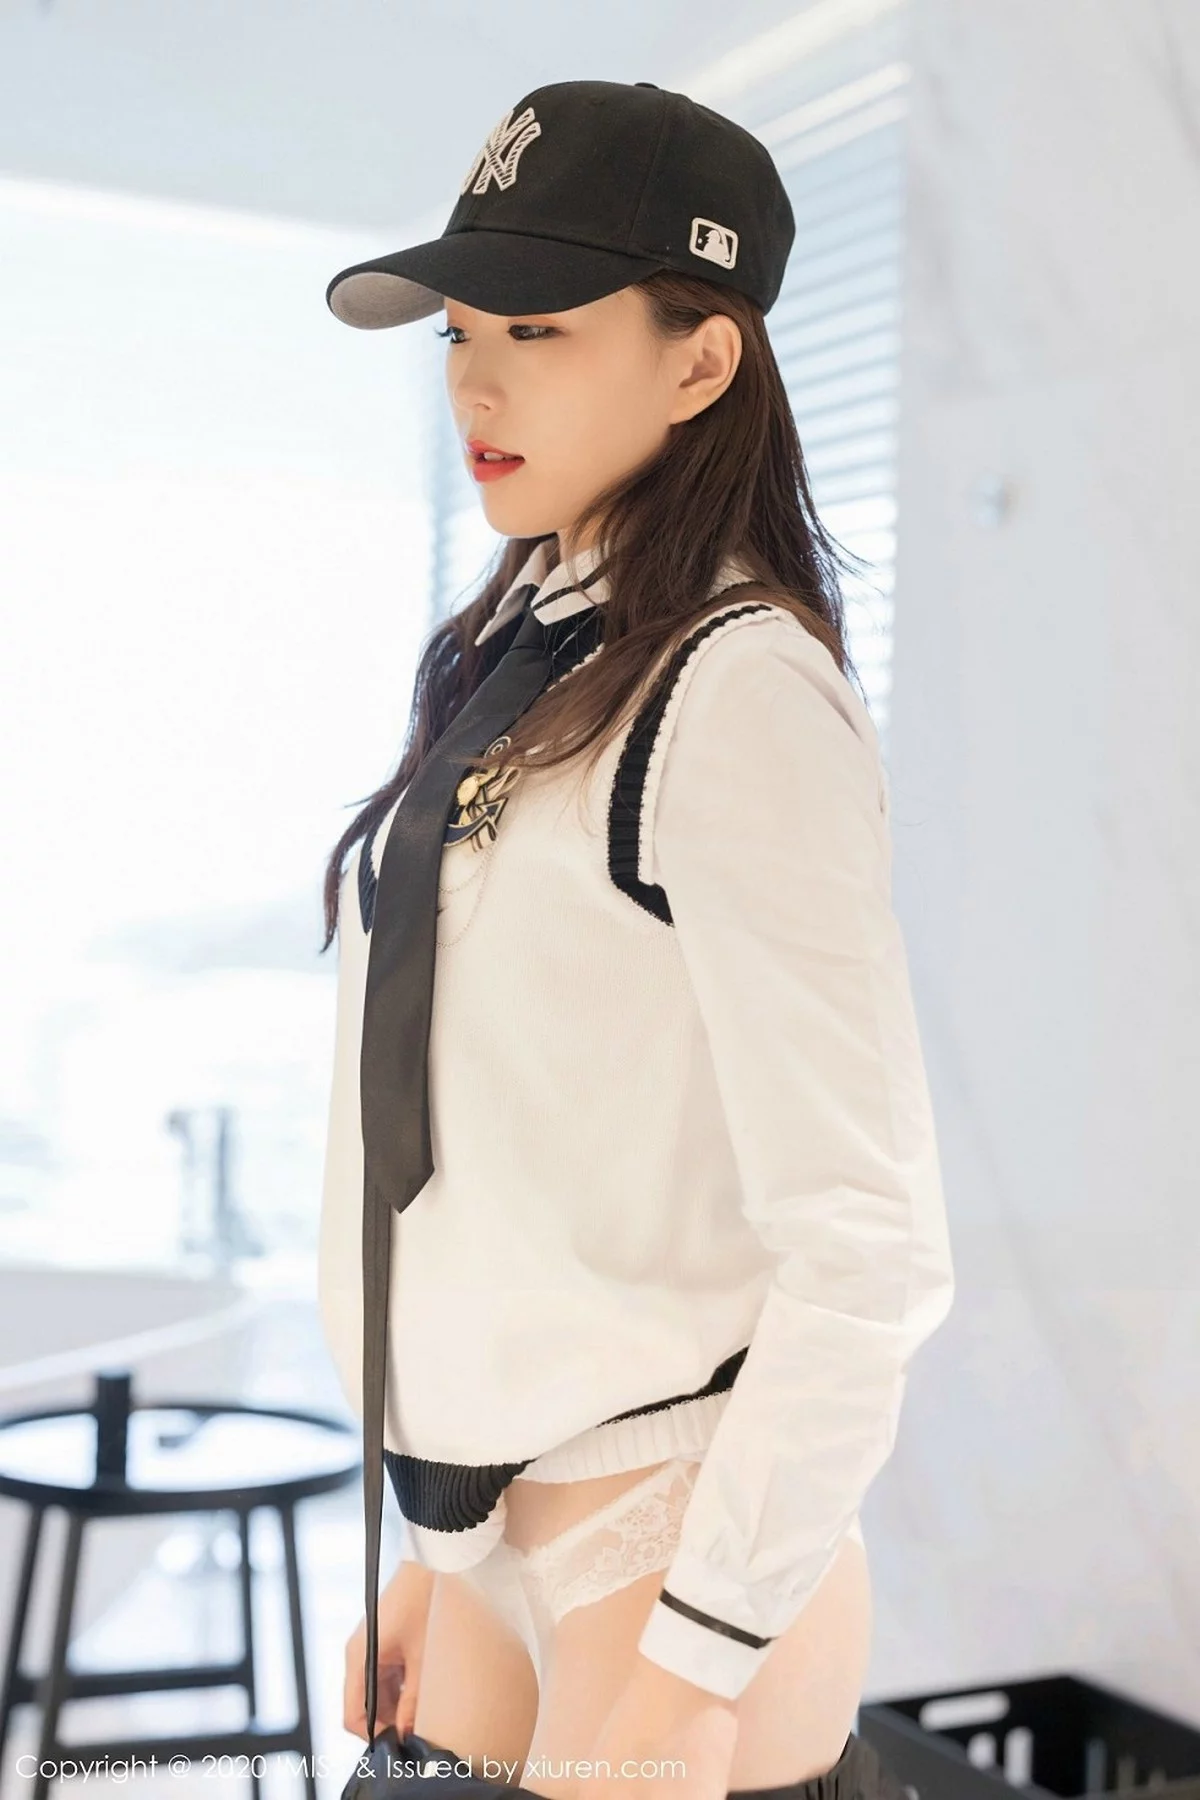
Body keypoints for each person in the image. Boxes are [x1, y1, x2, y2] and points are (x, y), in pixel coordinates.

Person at [317, 78, 953, 1800]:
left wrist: (703, 1656)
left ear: (700, 360)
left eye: (537, 327)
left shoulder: (736, 695)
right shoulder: (529, 661)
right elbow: (496, 1148)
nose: (476, 383)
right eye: (460, 332)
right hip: (489, 1549)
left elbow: (871, 1246)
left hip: (660, 1555)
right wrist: (440, 1548)